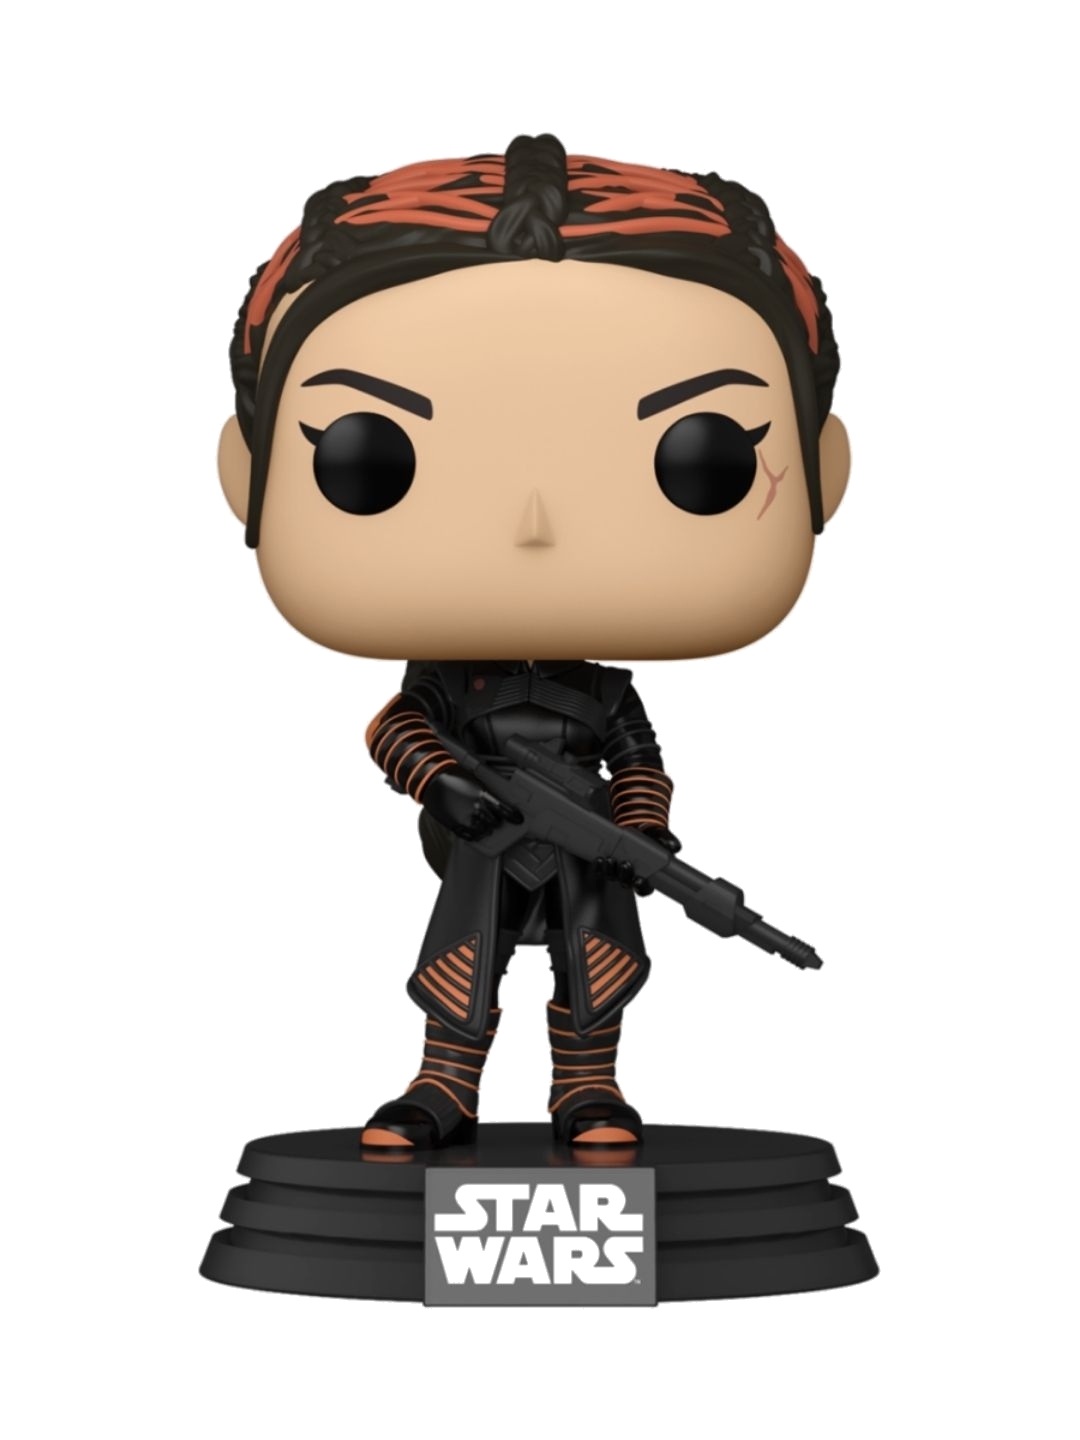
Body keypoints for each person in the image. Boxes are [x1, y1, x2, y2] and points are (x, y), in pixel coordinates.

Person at [217, 133, 850, 1151]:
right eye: (368, 458)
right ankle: (442, 1089)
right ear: (247, 478)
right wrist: (445, 788)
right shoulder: (446, 678)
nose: (534, 527)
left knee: (595, 965)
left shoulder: (601, 691)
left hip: (584, 840)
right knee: (461, 965)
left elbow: (637, 759)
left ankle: (588, 1090)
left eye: (705, 459)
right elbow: (396, 728)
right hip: (484, 838)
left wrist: (642, 831)